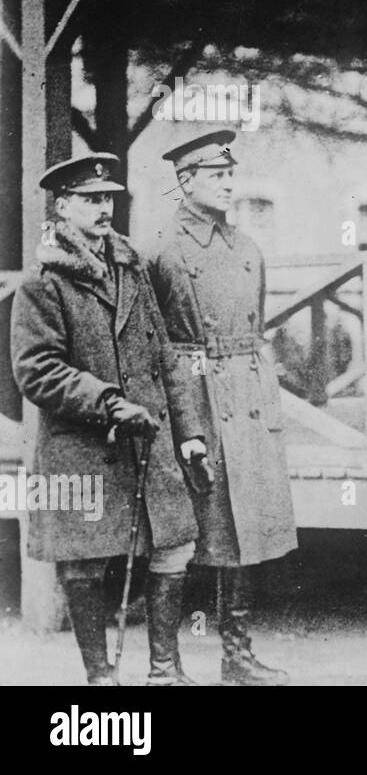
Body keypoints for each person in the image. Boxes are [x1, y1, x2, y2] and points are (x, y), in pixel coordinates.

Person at [10, 153, 207, 685]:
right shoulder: (42, 283)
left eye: (108, 199)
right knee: (85, 560)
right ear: (62, 206)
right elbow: (38, 372)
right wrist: (111, 403)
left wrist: (189, 434)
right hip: (81, 445)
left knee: (174, 545)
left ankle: (165, 671)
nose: (104, 209)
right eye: (91, 200)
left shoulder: (131, 268)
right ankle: (101, 678)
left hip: (148, 442)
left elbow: (165, 355)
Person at [145, 130, 296, 685]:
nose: (230, 184)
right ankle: (165, 666)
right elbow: (152, 340)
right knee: (183, 533)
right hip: (193, 395)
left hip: (247, 395)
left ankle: (237, 657)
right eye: (217, 176)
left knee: (244, 529)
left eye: (232, 174)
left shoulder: (247, 248)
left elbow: (254, 328)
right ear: (186, 181)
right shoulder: (164, 248)